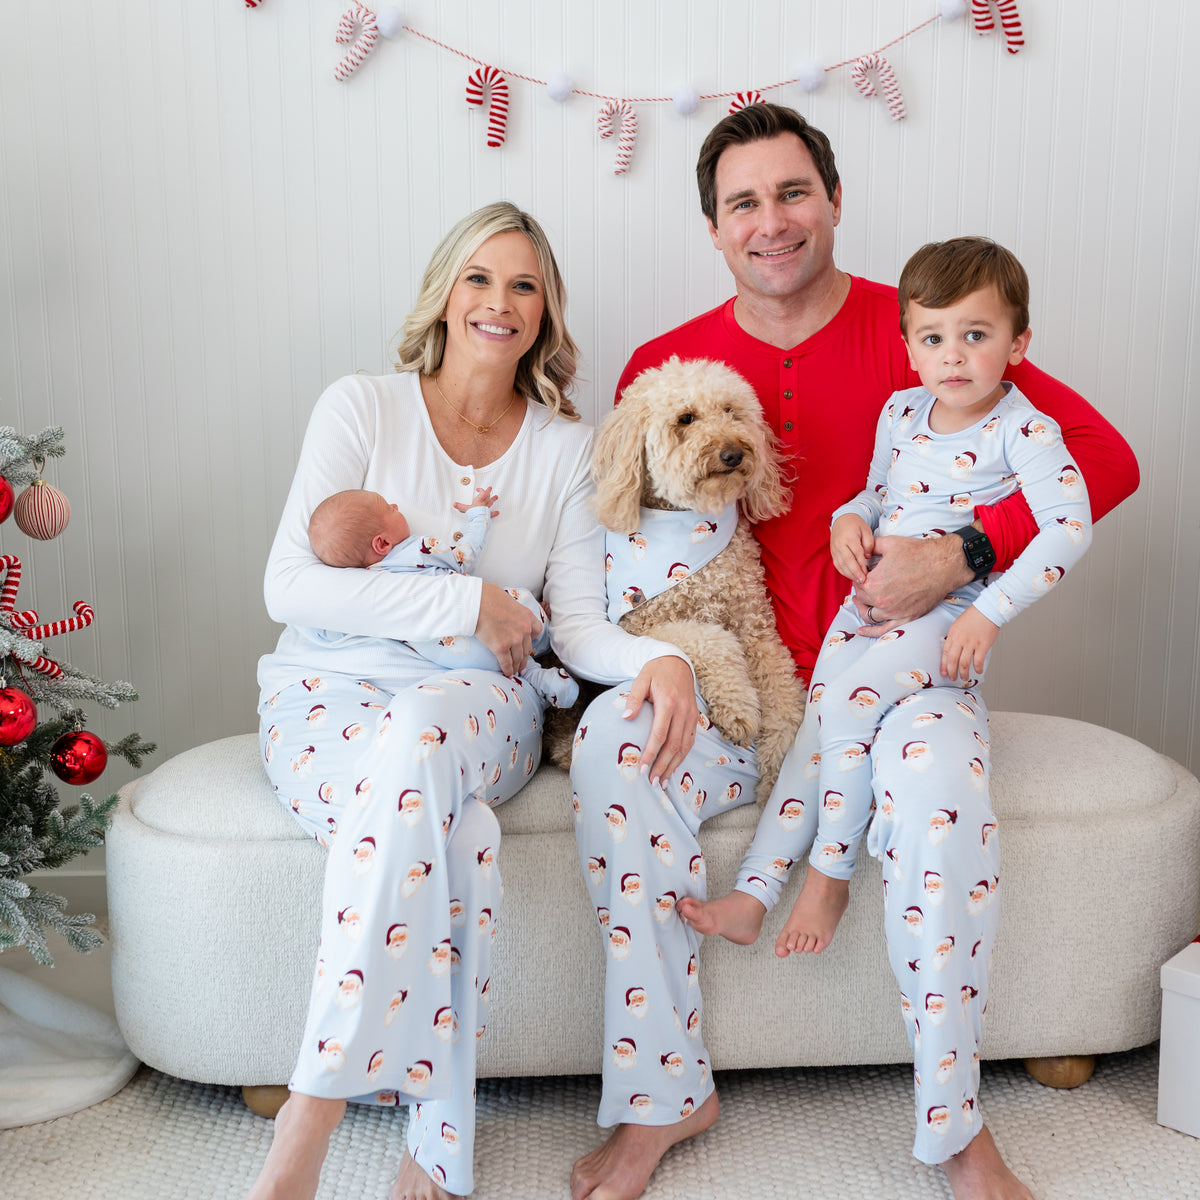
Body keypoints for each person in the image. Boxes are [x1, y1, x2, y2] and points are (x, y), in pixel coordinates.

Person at [568, 104, 1138, 1200]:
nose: (772, 222)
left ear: (834, 201)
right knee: (613, 745)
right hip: (744, 698)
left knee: (935, 787)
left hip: (906, 669)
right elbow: (614, 539)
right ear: (713, 227)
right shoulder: (665, 364)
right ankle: (662, 1096)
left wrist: (962, 549)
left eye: (794, 193)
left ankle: (955, 1128)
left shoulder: (926, 324)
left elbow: (1102, 460)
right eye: (745, 203)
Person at [248, 201, 692, 1200]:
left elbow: (573, 630)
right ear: (446, 294)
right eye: (480, 279)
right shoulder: (359, 407)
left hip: (473, 704)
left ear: (545, 312)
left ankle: (307, 1122)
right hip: (328, 688)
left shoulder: (566, 449)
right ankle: (433, 1146)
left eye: (524, 284)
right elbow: (290, 586)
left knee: (423, 735)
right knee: (462, 837)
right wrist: (471, 597)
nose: (500, 302)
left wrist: (660, 658)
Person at [680, 236, 1092, 962]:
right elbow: (879, 493)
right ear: (910, 347)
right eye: (934, 338)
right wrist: (849, 518)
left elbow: (1069, 528)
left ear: (1019, 342)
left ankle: (828, 878)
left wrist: (986, 613)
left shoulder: (1025, 430)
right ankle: (753, 891)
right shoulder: (901, 412)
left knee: (840, 710)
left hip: (943, 620)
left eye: (976, 335)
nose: (955, 356)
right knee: (817, 727)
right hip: (864, 612)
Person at [305, 486, 580, 709]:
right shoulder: (418, 550)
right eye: (390, 508)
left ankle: (536, 677)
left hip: (453, 658)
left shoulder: (365, 587)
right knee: (517, 599)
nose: (397, 507)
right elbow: (464, 556)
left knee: (512, 666)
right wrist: (478, 516)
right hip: (495, 625)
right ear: (383, 543)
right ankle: (543, 628)